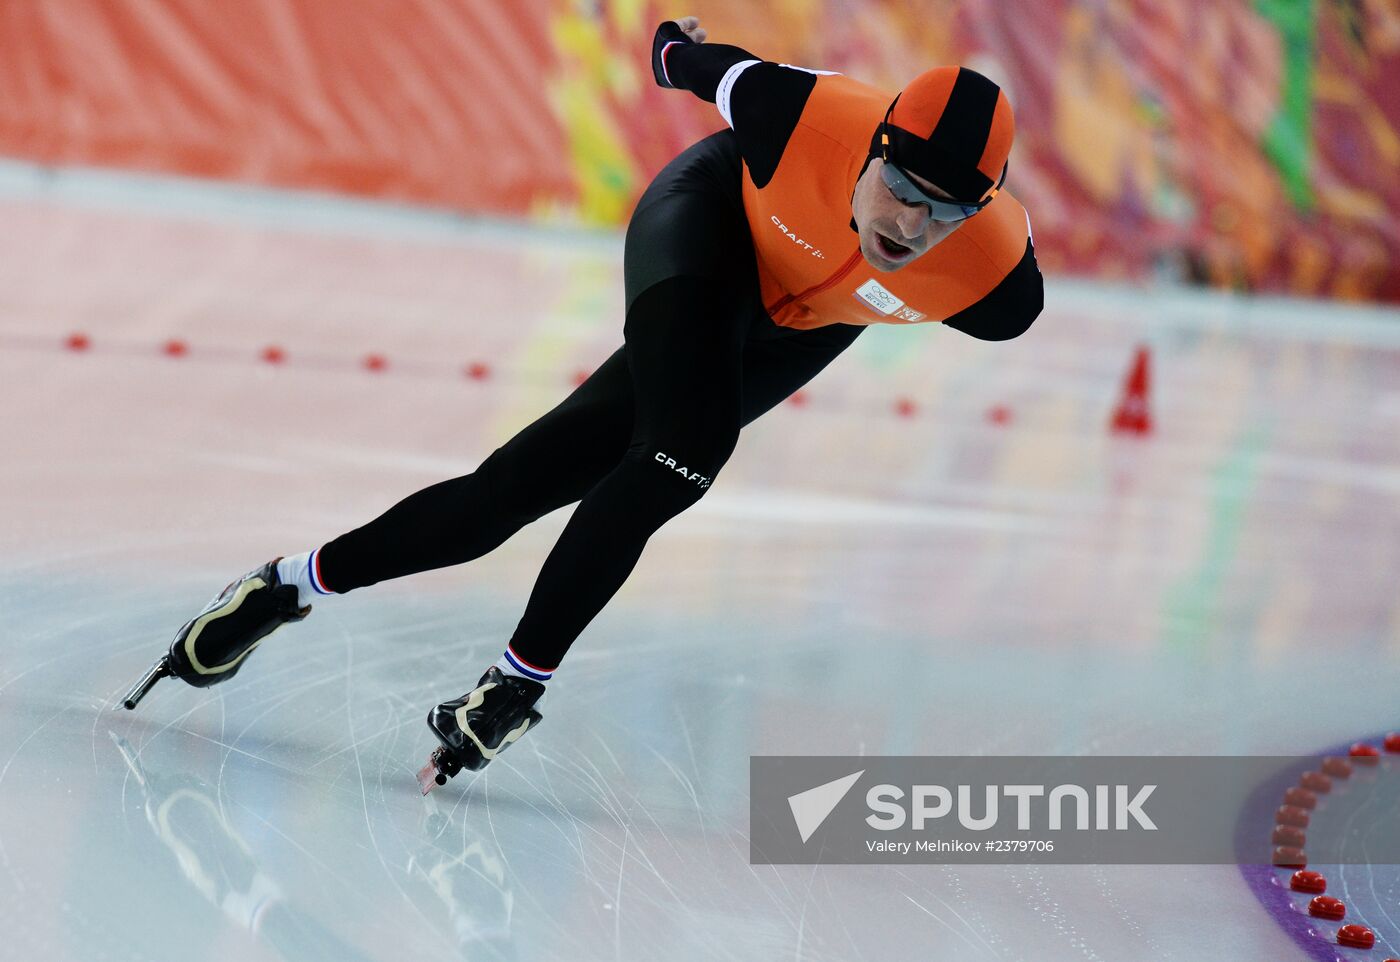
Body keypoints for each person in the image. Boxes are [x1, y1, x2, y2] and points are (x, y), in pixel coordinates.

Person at [122, 17, 1044, 791]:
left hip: (799, 326)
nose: (912, 226)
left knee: (510, 493)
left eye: (947, 212)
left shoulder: (997, 284)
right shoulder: (795, 112)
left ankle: (283, 585)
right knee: (685, 447)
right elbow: (676, 52)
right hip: (712, 224)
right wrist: (685, 46)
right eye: (904, 190)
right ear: (875, 145)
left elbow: (992, 271)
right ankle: (516, 687)